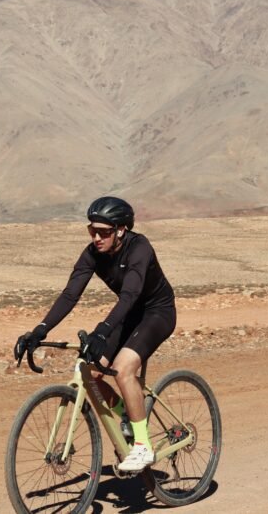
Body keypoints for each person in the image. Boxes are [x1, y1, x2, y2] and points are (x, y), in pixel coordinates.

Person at [15, 196, 177, 472]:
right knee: (90, 371)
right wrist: (40, 329)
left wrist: (102, 331)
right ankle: (127, 415)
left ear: (121, 230)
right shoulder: (92, 253)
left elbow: (130, 295)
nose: (96, 238)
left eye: (103, 232)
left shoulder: (140, 248)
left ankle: (142, 446)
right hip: (129, 314)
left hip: (156, 313)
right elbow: (70, 294)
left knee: (123, 369)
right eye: (92, 231)